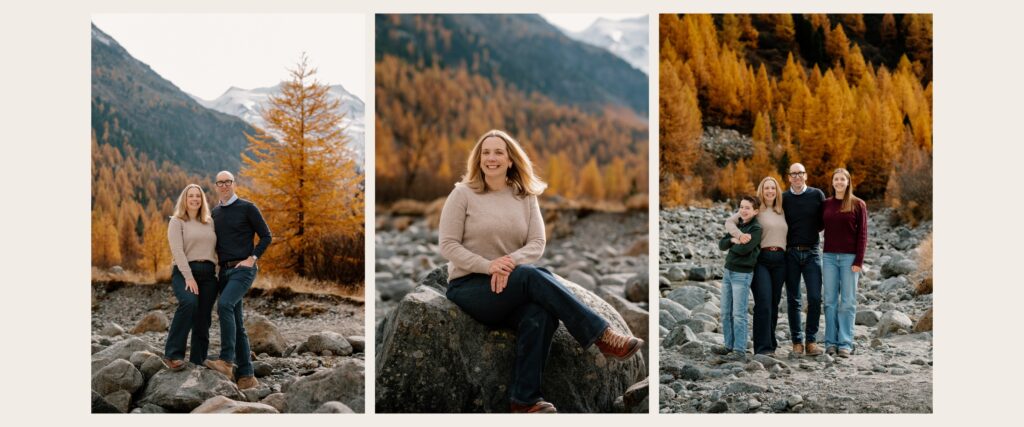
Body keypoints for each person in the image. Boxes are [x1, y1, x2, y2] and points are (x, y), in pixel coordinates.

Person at [438, 130, 642, 414]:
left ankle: (524, 400)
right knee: (533, 275)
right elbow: (447, 245)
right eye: (485, 152)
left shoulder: (524, 196)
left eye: (498, 152)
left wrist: (507, 262)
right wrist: (489, 265)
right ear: (478, 159)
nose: (491, 158)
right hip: (471, 286)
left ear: (510, 160)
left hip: (510, 284)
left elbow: (537, 243)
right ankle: (601, 335)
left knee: (540, 314)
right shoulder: (463, 194)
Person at [203, 171, 272, 390]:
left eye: (227, 182)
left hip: (243, 269)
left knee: (224, 305)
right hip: (224, 272)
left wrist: (252, 258)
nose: (224, 185)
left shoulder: (248, 208)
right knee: (238, 323)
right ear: (216, 186)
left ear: (234, 184)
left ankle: (226, 361)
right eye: (220, 182)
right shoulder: (215, 213)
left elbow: (267, 236)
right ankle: (247, 375)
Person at [725, 177, 787, 356]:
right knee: (764, 303)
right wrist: (738, 236)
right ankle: (762, 347)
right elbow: (730, 222)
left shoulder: (782, 209)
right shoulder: (756, 210)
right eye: (766, 188)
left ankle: (771, 343)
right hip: (761, 261)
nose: (769, 191)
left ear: (777, 191)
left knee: (774, 303)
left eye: (773, 188)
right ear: (762, 190)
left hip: (780, 260)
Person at [162, 184, 218, 371]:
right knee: (189, 303)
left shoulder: (209, 222)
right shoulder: (177, 221)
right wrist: (189, 277)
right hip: (184, 271)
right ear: (184, 200)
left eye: (198, 196)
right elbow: (177, 251)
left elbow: (217, 248)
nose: (194, 199)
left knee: (203, 317)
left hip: (209, 274)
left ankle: (198, 359)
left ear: (202, 200)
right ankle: (173, 354)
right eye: (190, 196)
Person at [822, 168, 868, 358]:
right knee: (830, 301)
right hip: (829, 258)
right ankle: (830, 343)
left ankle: (845, 344)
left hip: (849, 258)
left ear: (848, 182)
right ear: (832, 182)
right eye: (836, 179)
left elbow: (863, 234)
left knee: (848, 302)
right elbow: (815, 225)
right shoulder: (826, 204)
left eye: (843, 179)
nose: (839, 182)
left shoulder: (858, 204)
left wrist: (859, 260)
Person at [782, 163, 826, 357]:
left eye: (800, 173)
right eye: (794, 174)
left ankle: (811, 341)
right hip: (790, 253)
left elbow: (826, 220)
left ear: (806, 176)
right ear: (789, 177)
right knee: (794, 300)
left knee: (815, 298)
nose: (797, 177)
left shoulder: (817, 195)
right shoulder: (783, 198)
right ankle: (797, 342)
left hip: (812, 253)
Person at [718, 195, 763, 360]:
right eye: (741, 207)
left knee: (739, 313)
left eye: (747, 208)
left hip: (742, 275)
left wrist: (733, 244)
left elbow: (744, 250)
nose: (743, 210)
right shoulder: (737, 225)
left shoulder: (756, 229)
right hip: (728, 272)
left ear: (755, 211)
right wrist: (733, 239)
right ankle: (728, 345)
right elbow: (721, 244)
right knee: (725, 312)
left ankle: (739, 350)